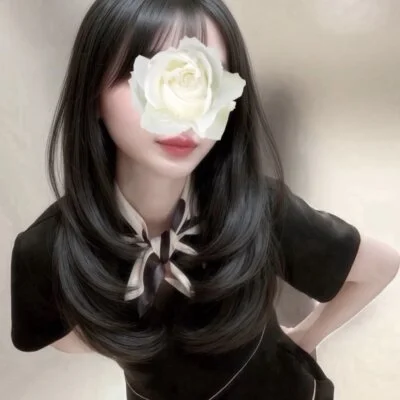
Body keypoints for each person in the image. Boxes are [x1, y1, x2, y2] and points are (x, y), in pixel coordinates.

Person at [10, 1, 399, 399]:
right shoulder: (46, 248)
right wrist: (119, 334)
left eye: (204, 80)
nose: (181, 108)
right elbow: (53, 334)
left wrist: (305, 336)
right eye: (144, 73)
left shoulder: (256, 207)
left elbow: (379, 266)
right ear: (93, 91)